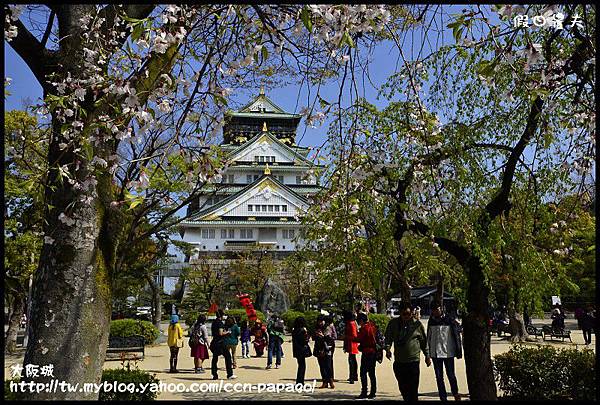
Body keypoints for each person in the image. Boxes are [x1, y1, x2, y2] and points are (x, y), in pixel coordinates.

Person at [384, 301, 431, 401]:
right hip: (399, 362)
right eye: (404, 314)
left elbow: (423, 341)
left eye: (409, 314)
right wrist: (387, 349)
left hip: (413, 361)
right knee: (403, 388)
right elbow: (388, 338)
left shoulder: (417, 325)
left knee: (413, 390)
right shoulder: (393, 324)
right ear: (400, 313)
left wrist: (427, 356)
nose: (407, 316)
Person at [427, 302, 462, 401]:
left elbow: (457, 332)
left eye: (437, 309)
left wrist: (458, 350)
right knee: (439, 377)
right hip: (435, 354)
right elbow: (428, 337)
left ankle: (455, 393)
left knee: (451, 375)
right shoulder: (431, 321)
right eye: (433, 310)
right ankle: (443, 397)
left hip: (448, 353)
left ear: (441, 309)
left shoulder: (449, 319)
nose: (435, 312)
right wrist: (428, 353)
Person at [354, 312, 379, 399]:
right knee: (372, 373)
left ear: (361, 320)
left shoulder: (364, 328)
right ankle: (373, 392)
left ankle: (364, 391)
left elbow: (358, 339)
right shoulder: (372, 326)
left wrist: (349, 337)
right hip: (374, 352)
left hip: (367, 352)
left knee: (363, 373)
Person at [210, 310, 236, 380]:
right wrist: (228, 332)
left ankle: (214, 374)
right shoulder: (220, 323)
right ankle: (230, 374)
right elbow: (221, 333)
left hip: (214, 342)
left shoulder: (214, 322)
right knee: (228, 357)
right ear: (221, 315)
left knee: (215, 359)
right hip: (220, 343)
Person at [314, 315, 335, 388]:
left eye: (321, 321)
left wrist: (323, 336)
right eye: (319, 321)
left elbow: (331, 339)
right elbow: (315, 338)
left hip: (327, 349)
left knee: (328, 366)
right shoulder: (317, 328)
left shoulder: (328, 328)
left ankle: (331, 381)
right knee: (322, 366)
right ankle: (325, 382)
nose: (320, 323)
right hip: (319, 349)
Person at [292, 316, 311, 384]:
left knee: (300, 365)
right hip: (302, 350)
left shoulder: (294, 330)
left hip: (296, 350)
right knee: (302, 366)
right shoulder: (302, 330)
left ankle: (299, 381)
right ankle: (300, 381)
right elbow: (304, 340)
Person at [343, 310, 359, 384]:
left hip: (351, 343)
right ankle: (354, 375)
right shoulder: (353, 322)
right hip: (352, 343)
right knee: (353, 360)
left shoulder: (351, 323)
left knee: (351, 361)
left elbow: (354, 335)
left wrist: (346, 336)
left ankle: (352, 376)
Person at [324, 315, 338, 384]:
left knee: (329, 361)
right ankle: (329, 377)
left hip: (330, 345)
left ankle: (330, 377)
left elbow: (335, 336)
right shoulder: (325, 326)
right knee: (328, 361)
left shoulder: (331, 326)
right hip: (326, 344)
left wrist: (329, 337)